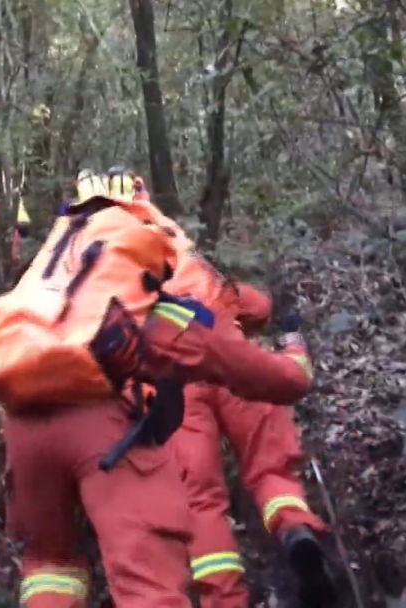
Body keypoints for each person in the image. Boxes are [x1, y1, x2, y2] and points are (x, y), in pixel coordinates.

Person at [0, 169, 317, 608]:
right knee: (148, 585)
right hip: (105, 430)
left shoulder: (45, 287)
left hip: (22, 426)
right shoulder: (142, 302)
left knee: (51, 568)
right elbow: (244, 361)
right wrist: (296, 365)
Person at [105, 167, 337, 608]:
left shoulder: (111, 267)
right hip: (233, 358)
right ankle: (295, 530)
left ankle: (226, 600)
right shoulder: (180, 247)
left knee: (201, 502)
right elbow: (249, 303)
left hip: (179, 385)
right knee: (272, 469)